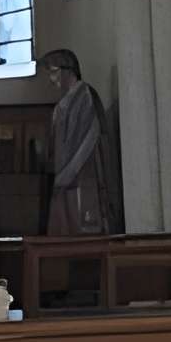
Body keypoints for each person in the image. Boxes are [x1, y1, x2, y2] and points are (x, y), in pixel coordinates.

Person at [43, 48, 120, 235]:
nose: (51, 80)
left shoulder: (84, 96)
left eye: (53, 72)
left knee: (83, 228)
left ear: (68, 70)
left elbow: (85, 140)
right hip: (65, 178)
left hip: (83, 177)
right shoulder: (63, 104)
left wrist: (65, 175)